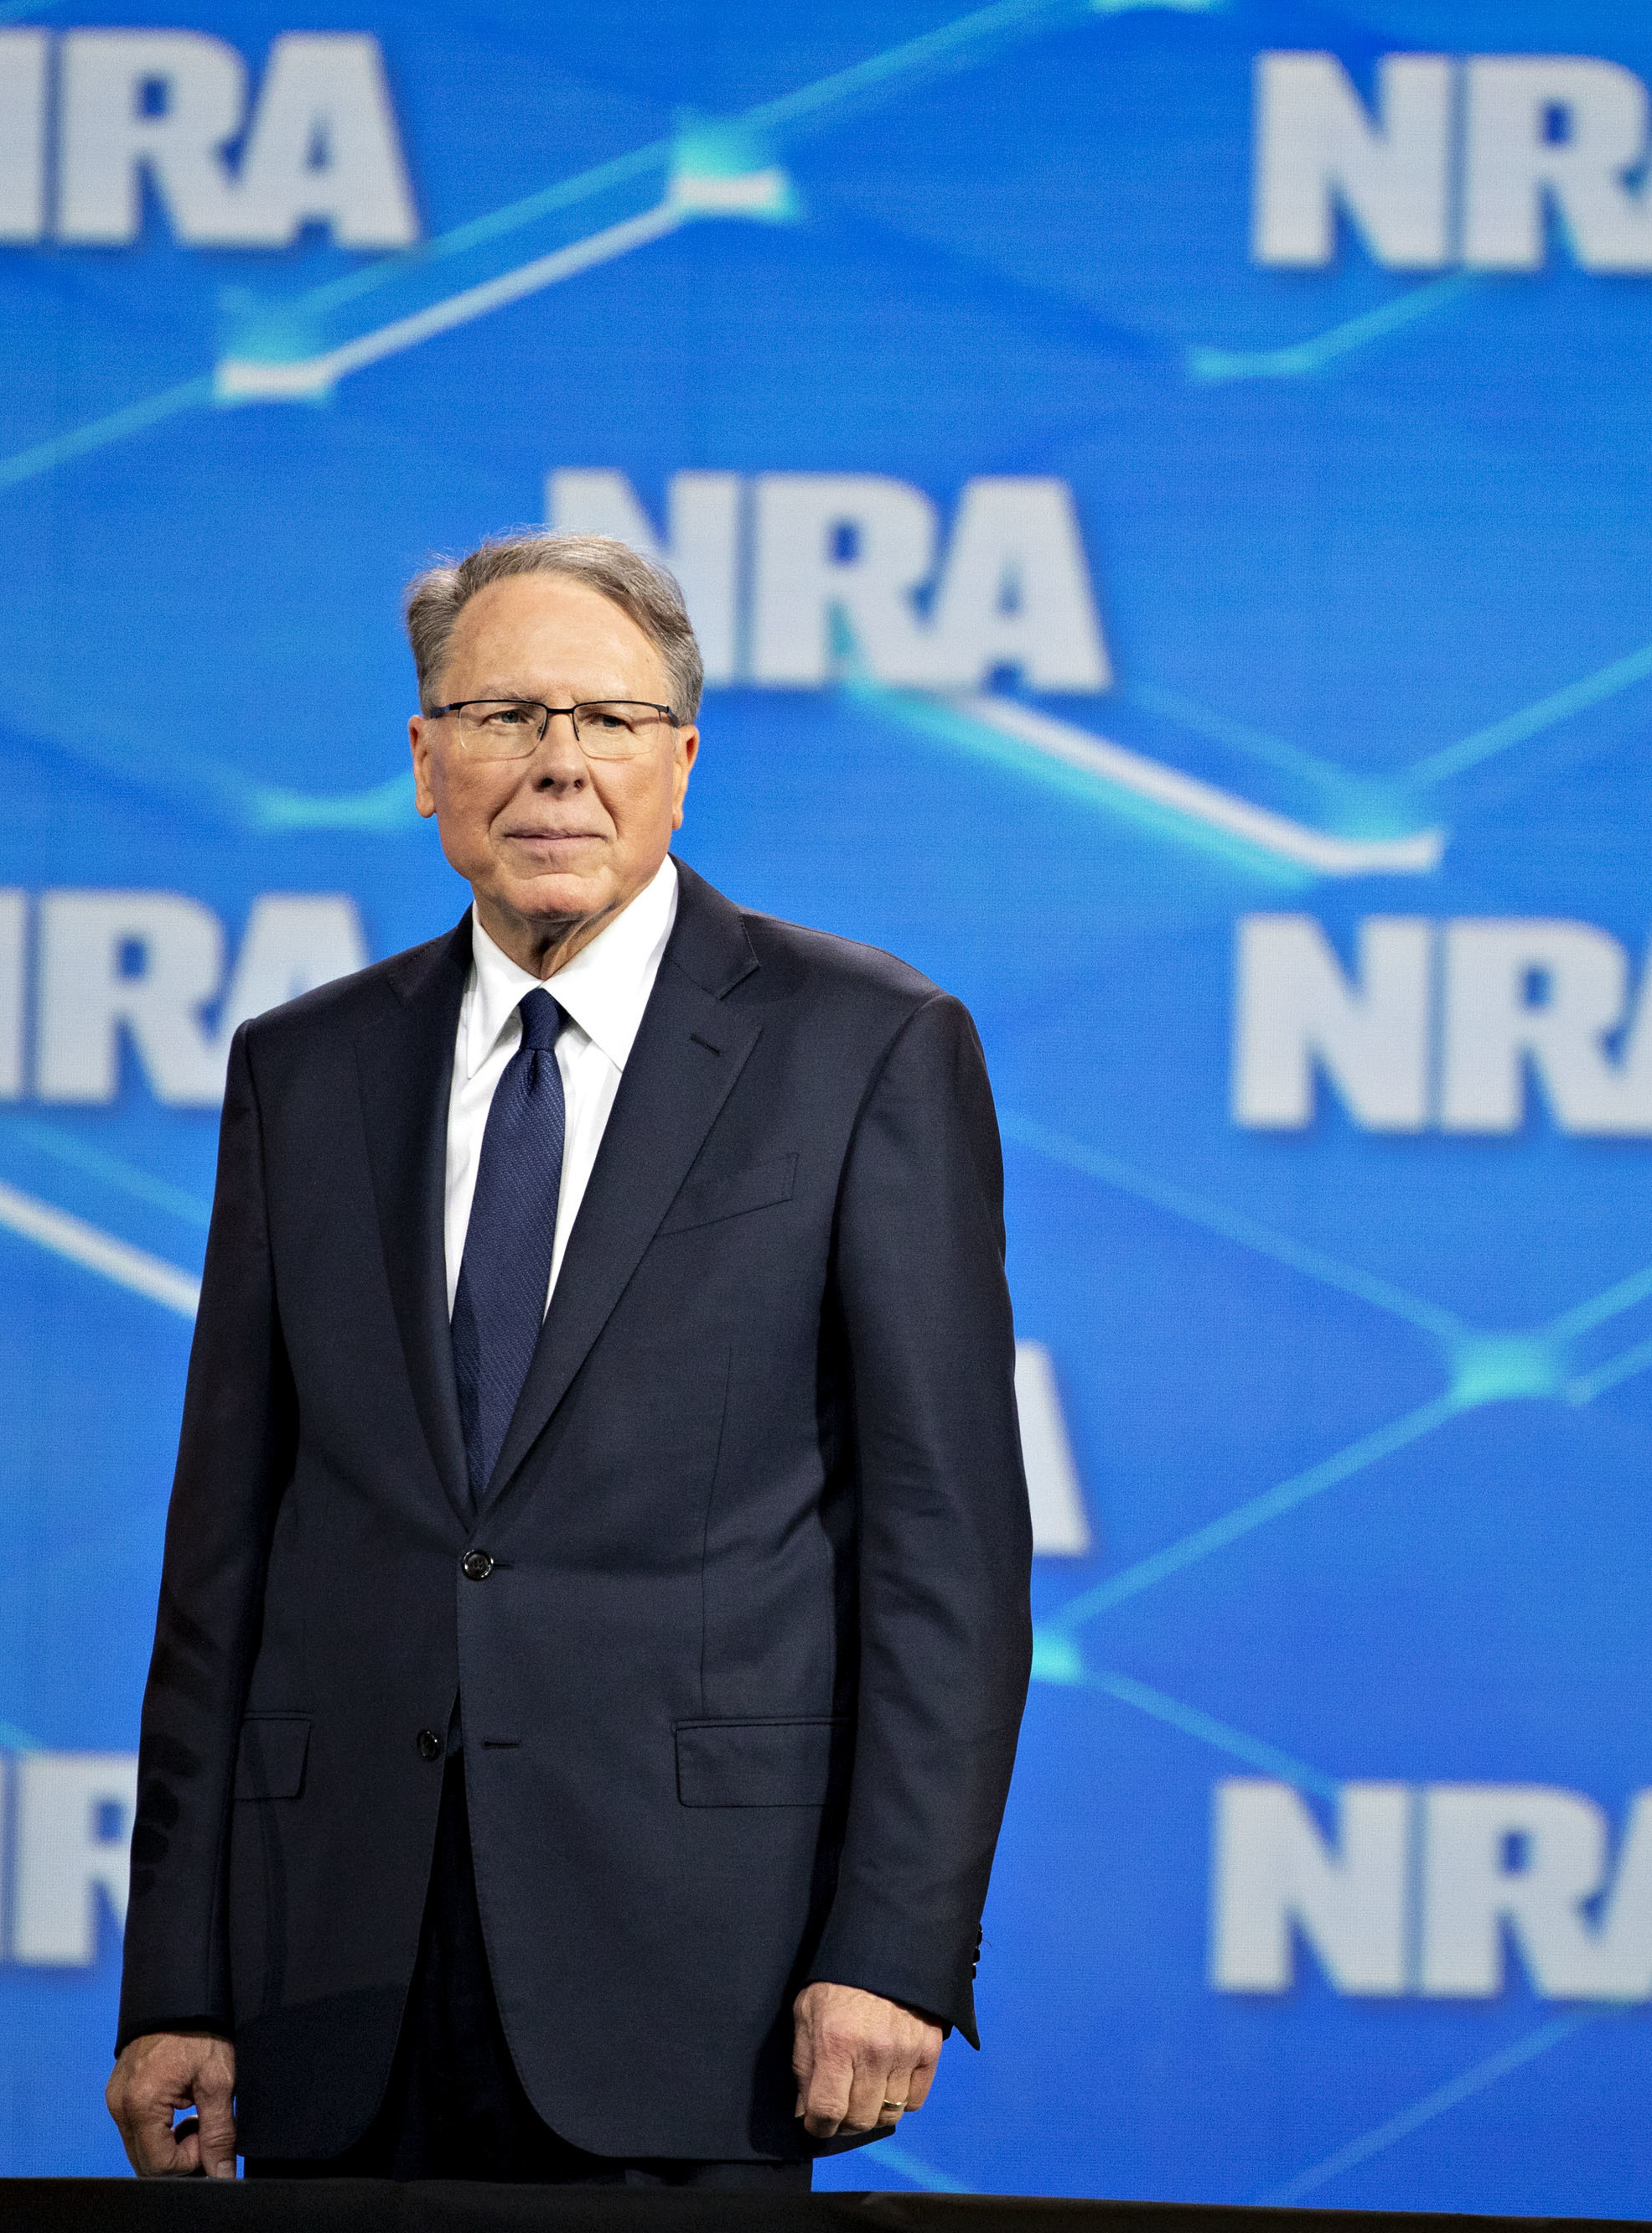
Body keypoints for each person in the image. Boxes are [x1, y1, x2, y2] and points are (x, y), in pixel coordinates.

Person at [104, 531, 1033, 2185]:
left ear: (681, 763)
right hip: (338, 1987)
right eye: (505, 714)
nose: (556, 765)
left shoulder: (866, 1051)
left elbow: (943, 1558)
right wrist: (176, 1982)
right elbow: (222, 1568)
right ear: (424, 762)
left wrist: (894, 1947)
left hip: (703, 1990)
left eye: (606, 721)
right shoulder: (303, 1074)